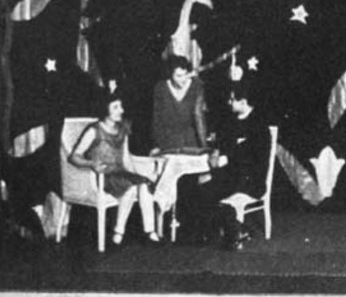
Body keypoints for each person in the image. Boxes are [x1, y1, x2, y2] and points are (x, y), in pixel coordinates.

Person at [176, 85, 271, 250]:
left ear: (243, 102)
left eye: (233, 99)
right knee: (186, 182)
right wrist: (216, 154)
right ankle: (226, 226)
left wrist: (221, 167)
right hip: (228, 174)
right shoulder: (230, 122)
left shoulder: (259, 125)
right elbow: (221, 145)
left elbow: (253, 160)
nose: (229, 102)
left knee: (204, 189)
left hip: (248, 179)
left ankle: (230, 225)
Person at [68, 94, 160, 245]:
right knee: (130, 187)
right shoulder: (94, 131)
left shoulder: (122, 130)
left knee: (144, 184)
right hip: (103, 176)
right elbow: (74, 156)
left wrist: (135, 175)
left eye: (121, 106)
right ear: (105, 109)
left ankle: (149, 231)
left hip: (119, 173)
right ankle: (118, 232)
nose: (121, 110)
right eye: (115, 107)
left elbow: (125, 158)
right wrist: (91, 164)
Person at [150, 55, 208, 156]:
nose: (183, 79)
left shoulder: (196, 87)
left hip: (191, 144)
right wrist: (156, 145)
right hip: (168, 144)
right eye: (178, 76)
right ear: (170, 75)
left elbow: (199, 118)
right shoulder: (161, 89)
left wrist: (205, 147)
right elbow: (157, 119)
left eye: (185, 74)